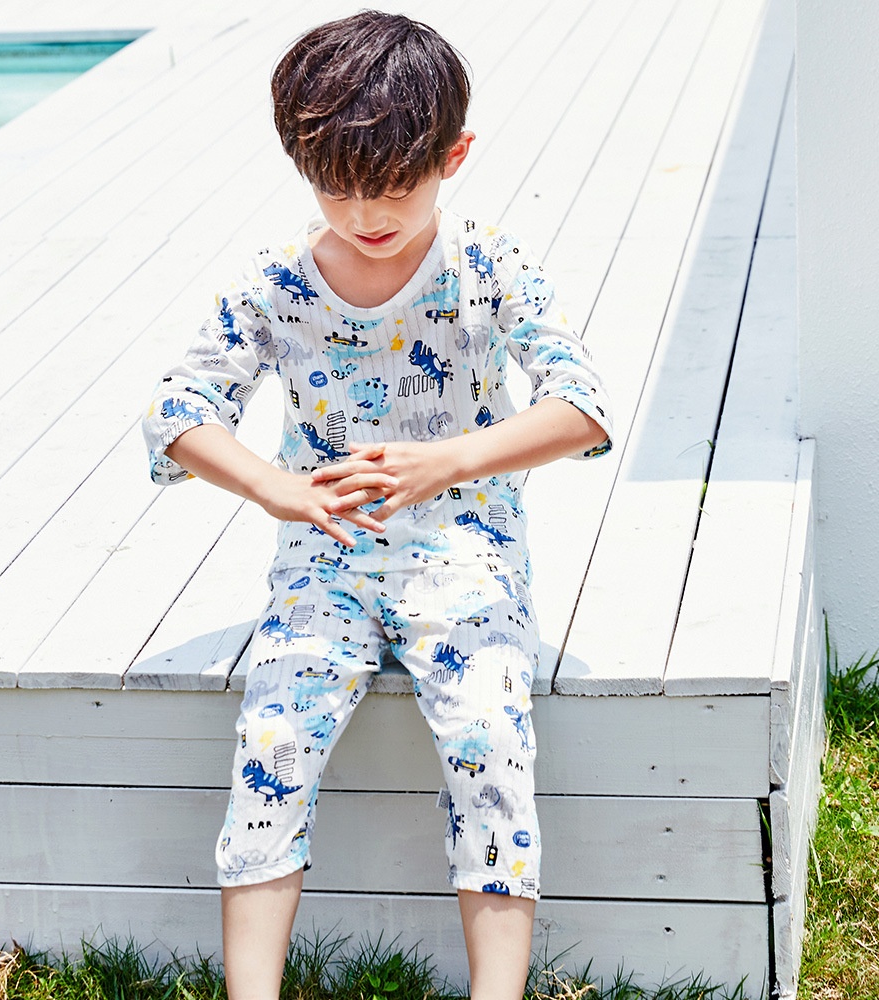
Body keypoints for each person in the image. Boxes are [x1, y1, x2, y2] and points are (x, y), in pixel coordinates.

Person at [142, 10, 613, 1000]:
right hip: (326, 554)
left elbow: (582, 407)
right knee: (274, 737)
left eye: (393, 187)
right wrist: (273, 487)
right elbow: (178, 412)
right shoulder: (277, 283)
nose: (364, 214)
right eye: (335, 187)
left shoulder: (487, 265)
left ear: (453, 157)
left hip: (466, 549)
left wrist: (449, 462)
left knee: (490, 738)